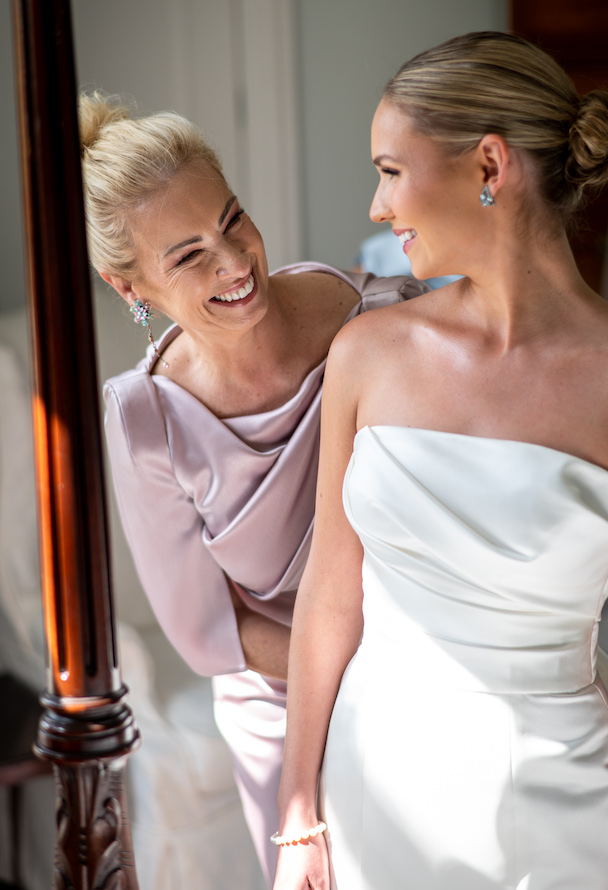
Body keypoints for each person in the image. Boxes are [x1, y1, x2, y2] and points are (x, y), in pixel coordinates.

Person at [274, 31, 608, 890]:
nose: (376, 207)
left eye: (389, 169)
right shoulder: (365, 354)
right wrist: (297, 809)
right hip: (375, 788)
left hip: (564, 808)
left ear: (489, 165)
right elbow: (331, 597)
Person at [78, 92, 429, 882]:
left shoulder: (364, 313)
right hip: (277, 702)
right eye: (188, 254)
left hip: (416, 670)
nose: (234, 262)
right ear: (129, 287)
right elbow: (208, 631)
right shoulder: (145, 419)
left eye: (232, 220)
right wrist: (362, 666)